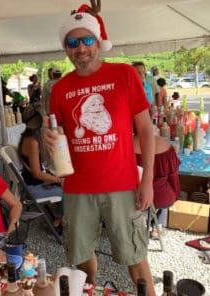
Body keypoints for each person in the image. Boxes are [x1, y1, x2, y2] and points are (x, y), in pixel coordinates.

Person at [46, 3, 156, 295]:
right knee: (81, 256)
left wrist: (147, 181)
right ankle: (90, 291)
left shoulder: (124, 75)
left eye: (86, 40)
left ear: (98, 42)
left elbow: (145, 130)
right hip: (78, 188)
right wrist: (50, 142)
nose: (80, 48)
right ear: (66, 48)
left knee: (134, 255)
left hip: (122, 184)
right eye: (72, 42)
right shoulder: (59, 89)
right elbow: (59, 140)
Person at [18, 103, 63, 233]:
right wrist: (58, 180)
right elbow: (37, 174)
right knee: (66, 191)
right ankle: (58, 221)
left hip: (31, 183)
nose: (46, 119)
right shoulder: (32, 141)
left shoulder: (29, 137)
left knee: (62, 181)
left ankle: (60, 215)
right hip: (33, 188)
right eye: (44, 116)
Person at [134, 132, 180, 239]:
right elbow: (173, 178)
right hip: (159, 197)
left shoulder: (120, 144)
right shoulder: (165, 143)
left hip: (127, 198)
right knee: (164, 189)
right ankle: (157, 226)